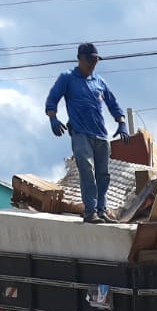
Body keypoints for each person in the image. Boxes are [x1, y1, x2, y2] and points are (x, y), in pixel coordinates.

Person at [45, 42, 129, 224]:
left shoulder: (99, 81)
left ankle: (102, 210)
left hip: (101, 135)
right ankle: (90, 212)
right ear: (80, 59)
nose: (93, 64)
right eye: (89, 60)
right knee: (87, 171)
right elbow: (52, 99)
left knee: (103, 175)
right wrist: (53, 118)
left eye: (95, 60)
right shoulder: (67, 78)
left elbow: (113, 104)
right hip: (80, 134)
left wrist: (121, 122)